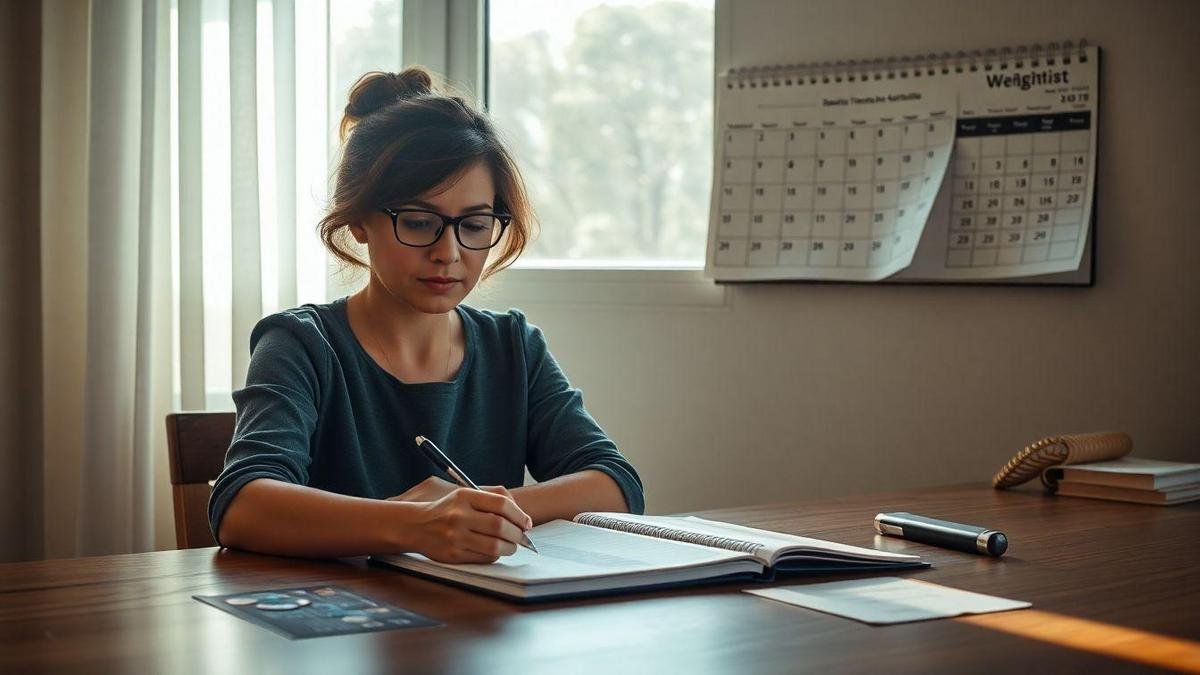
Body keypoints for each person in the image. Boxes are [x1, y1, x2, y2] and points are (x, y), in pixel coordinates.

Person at [208, 67, 644, 563]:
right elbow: (241, 505)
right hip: (332, 628)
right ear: (357, 221)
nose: (449, 252)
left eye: (476, 225)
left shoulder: (512, 346)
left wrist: (474, 514)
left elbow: (616, 485)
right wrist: (419, 525)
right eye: (418, 222)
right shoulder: (301, 344)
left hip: (478, 624)